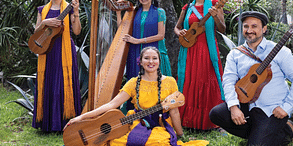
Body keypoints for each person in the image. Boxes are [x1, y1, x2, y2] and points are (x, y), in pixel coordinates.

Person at [64, 47, 209, 146]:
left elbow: (174, 111)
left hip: (160, 124)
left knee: (159, 142)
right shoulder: (133, 83)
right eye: (147, 58)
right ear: (141, 61)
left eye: (154, 58)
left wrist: (180, 134)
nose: (151, 62)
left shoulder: (170, 81)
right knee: (116, 142)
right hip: (136, 122)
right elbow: (111, 105)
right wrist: (81, 117)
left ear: (159, 61)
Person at [209, 11, 293, 146]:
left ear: (264, 29)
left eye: (254, 26)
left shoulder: (280, 51)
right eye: (245, 26)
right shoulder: (235, 53)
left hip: (271, 109)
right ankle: (276, 132)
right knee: (216, 114)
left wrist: (286, 107)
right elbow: (228, 80)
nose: (249, 30)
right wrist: (233, 107)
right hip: (246, 104)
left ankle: (277, 133)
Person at [174, 0, 226, 130]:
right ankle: (187, 121)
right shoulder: (187, 7)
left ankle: (211, 121)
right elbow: (177, 27)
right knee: (189, 81)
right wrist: (181, 32)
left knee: (206, 80)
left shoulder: (216, 4)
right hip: (189, 50)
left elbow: (222, 29)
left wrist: (215, 17)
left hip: (207, 51)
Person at [32, 0, 82, 132]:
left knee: (63, 83)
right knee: (48, 82)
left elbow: (77, 31)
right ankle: (47, 123)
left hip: (64, 50)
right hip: (47, 51)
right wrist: (45, 22)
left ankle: (65, 122)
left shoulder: (69, 8)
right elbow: (36, 32)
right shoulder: (42, 10)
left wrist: (76, 11)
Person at [116, 0, 172, 112]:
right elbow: (122, 32)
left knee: (154, 84)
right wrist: (119, 13)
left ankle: (156, 114)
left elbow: (161, 35)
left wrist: (138, 40)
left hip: (153, 52)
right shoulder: (134, 12)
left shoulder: (160, 12)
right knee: (135, 82)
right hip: (135, 53)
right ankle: (134, 113)